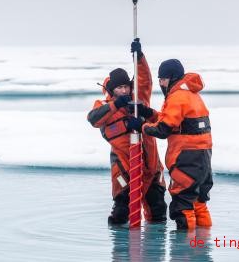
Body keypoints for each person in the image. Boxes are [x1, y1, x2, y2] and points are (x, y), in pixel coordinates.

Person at [87, 39, 167, 225]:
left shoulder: (140, 100)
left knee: (158, 212)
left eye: (126, 86)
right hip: (123, 165)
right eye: (119, 88)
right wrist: (117, 105)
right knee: (120, 212)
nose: (124, 90)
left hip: (150, 164)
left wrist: (139, 57)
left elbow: (145, 79)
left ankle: (154, 250)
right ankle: (121, 249)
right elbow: (93, 119)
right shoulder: (104, 107)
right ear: (112, 90)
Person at [142, 59, 213, 230]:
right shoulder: (192, 94)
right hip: (203, 156)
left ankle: (185, 252)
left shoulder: (177, 97)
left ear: (171, 78)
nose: (160, 83)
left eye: (163, 79)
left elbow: (163, 129)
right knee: (199, 203)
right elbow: (175, 121)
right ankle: (203, 245)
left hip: (185, 157)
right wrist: (150, 114)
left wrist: (142, 126)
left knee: (183, 206)